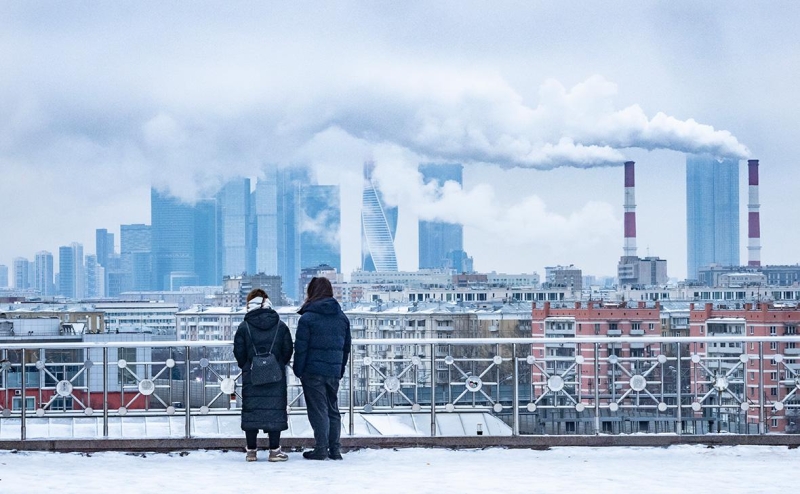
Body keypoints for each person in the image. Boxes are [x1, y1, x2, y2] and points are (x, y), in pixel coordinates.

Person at [293, 277, 351, 460]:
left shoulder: (307, 318)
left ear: (312, 292)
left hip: (312, 371)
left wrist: (298, 370)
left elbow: (301, 348)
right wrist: (339, 369)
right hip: (333, 371)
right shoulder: (342, 318)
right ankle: (335, 449)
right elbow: (346, 347)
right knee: (333, 409)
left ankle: (320, 448)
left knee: (318, 410)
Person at [233, 288, 293, 462]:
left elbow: (239, 351)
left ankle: (251, 451)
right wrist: (278, 365)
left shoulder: (244, 327)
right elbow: (288, 349)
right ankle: (274, 451)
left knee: (252, 411)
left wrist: (247, 366)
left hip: (252, 375)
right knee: (274, 410)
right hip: (276, 375)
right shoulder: (280, 325)